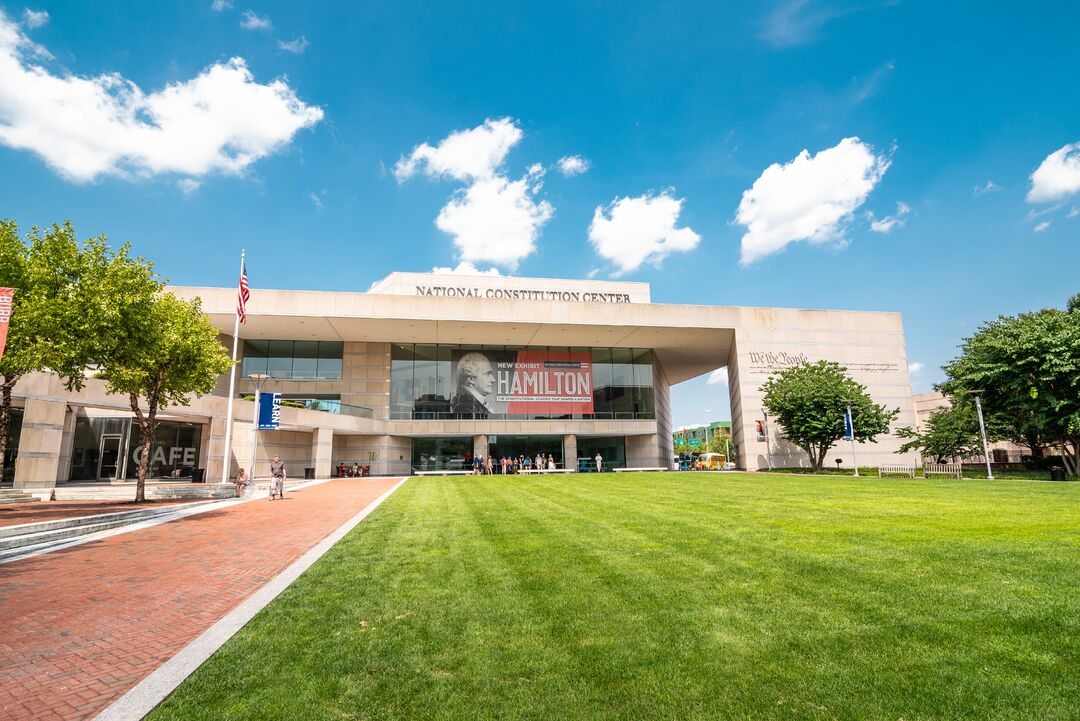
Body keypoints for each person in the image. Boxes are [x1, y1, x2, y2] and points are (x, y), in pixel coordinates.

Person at [450, 352, 496, 418]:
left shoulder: (470, 404)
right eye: (487, 374)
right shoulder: (465, 407)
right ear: (471, 379)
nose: (493, 380)